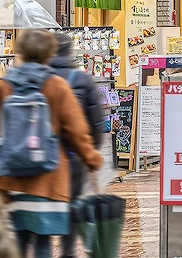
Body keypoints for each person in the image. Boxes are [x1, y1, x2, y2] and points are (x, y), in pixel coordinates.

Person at [0, 29, 104, 258]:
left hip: (13, 177)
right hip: (48, 176)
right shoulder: (56, 85)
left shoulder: (5, 84)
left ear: (20, 52)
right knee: (42, 239)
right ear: (49, 53)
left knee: (18, 237)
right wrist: (92, 158)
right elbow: (77, 130)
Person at [49, 35, 107, 258]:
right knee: (71, 204)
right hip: (74, 157)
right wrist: (91, 153)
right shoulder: (82, 80)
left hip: (41, 155)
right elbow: (95, 121)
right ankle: (67, 251)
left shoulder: (39, 77)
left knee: (40, 205)